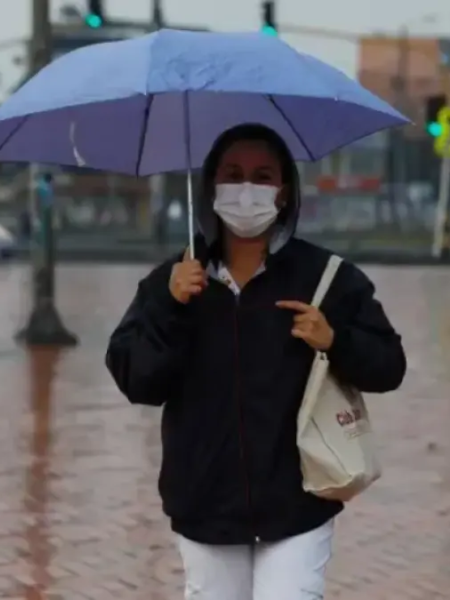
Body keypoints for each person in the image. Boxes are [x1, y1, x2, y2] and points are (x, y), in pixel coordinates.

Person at [105, 124, 406, 600]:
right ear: (210, 187)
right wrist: (170, 307)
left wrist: (334, 339)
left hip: (298, 501)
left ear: (284, 191)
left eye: (263, 176)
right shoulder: (174, 281)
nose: (247, 189)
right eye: (233, 174)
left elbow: (390, 366)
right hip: (205, 503)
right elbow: (139, 381)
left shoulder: (328, 278)